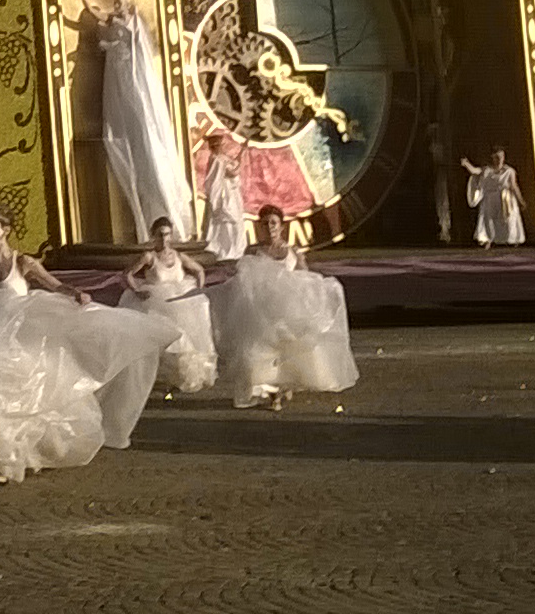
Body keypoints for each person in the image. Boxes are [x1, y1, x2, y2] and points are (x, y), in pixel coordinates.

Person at [0, 203, 176, 484]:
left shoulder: (23, 262)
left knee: (23, 396)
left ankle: (9, 459)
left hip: (20, 338)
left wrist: (75, 294)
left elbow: (53, 284)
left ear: (5, 230)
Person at [212, 205, 360, 410]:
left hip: (288, 313)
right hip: (262, 312)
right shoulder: (253, 252)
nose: (269, 227)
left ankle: (283, 387)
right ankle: (274, 394)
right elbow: (245, 280)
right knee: (263, 354)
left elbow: (305, 279)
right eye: (265, 223)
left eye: (273, 223)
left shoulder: (292, 252)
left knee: (288, 352)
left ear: (281, 226)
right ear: (259, 227)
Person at [95, 0, 196, 241]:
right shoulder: (118, 23)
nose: (116, 6)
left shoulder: (129, 22)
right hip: (118, 74)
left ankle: (165, 213)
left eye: (120, 2)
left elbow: (107, 21)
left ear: (128, 5)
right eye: (115, 2)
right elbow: (96, 15)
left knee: (144, 134)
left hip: (130, 77)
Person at [120, 217, 216, 392]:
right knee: (166, 338)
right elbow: (127, 274)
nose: (164, 239)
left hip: (180, 301)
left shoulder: (178, 256)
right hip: (158, 302)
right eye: (160, 235)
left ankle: (182, 376)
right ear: (153, 236)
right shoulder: (149, 257)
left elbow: (199, 270)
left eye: (167, 234)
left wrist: (198, 290)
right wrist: (137, 291)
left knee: (187, 337)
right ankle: (160, 377)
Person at [460, 148, 527, 248]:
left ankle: (511, 239)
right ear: (493, 158)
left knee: (508, 219)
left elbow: (514, 186)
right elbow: (474, 171)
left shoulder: (509, 171)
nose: (499, 159)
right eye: (497, 157)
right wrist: (466, 164)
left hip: (505, 199)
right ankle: (488, 239)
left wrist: (521, 200)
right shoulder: (487, 170)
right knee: (489, 220)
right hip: (490, 199)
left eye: (501, 157)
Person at [200, 130, 247, 261]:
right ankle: (225, 251)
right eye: (215, 145)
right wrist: (241, 156)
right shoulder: (216, 160)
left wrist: (241, 152)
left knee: (235, 223)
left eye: (219, 144)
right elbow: (232, 173)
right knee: (226, 223)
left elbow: (234, 167)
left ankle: (235, 250)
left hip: (231, 195)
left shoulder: (223, 158)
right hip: (224, 196)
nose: (218, 147)